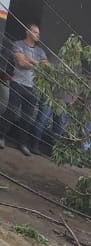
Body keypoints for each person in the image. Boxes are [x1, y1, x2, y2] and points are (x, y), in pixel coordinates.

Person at [3, 23, 47, 155]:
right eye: (35, 32)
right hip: (18, 83)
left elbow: (46, 68)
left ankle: (22, 143)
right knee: (11, 111)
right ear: (27, 32)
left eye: (38, 33)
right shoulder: (18, 44)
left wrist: (30, 59)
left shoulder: (40, 51)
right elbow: (21, 63)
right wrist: (35, 63)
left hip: (33, 87)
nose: (37, 35)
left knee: (28, 117)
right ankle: (1, 137)